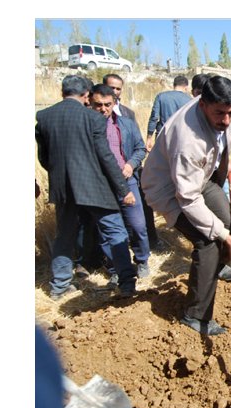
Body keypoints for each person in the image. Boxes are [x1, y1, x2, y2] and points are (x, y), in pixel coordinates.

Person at [141, 76, 231, 336]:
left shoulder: (221, 113)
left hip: (200, 179)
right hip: (169, 190)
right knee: (208, 242)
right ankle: (196, 315)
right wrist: (223, 238)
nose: (226, 120)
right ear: (202, 104)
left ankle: (217, 266)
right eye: (219, 113)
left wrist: (229, 164)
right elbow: (187, 198)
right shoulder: (187, 140)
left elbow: (226, 140)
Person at [36, 75, 138, 299]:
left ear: (62, 93)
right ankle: (127, 283)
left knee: (64, 236)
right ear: (85, 96)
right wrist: (123, 189)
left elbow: (44, 158)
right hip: (94, 187)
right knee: (115, 232)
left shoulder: (44, 116)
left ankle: (59, 287)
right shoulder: (93, 118)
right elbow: (106, 157)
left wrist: (62, 175)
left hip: (63, 188)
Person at [89, 84, 151, 279]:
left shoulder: (126, 124)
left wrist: (130, 165)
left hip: (128, 181)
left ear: (114, 103)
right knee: (108, 231)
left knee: (138, 225)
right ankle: (116, 267)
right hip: (102, 186)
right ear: (90, 103)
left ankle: (142, 260)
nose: (103, 109)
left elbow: (140, 148)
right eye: (98, 105)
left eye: (107, 104)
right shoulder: (86, 128)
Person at [146, 75, 191, 148]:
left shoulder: (161, 96)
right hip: (181, 138)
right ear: (186, 87)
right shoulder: (189, 100)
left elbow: (154, 117)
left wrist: (149, 137)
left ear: (174, 85)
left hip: (162, 136)